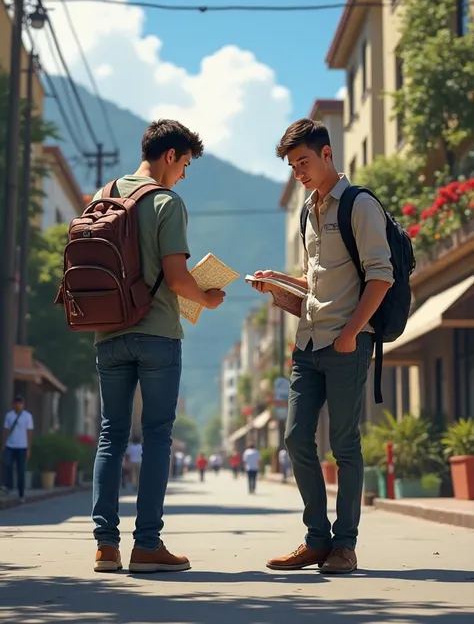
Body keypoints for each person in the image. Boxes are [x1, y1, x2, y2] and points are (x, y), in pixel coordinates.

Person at [252, 119, 393, 574]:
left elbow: (381, 275)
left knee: (344, 444)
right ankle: (317, 539)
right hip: (307, 343)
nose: (300, 172)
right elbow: (316, 281)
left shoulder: (359, 204)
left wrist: (352, 333)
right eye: (293, 167)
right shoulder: (307, 211)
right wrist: (279, 283)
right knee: (295, 438)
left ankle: (344, 545)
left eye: (304, 162)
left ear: (328, 154)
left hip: (346, 343)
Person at [92, 119, 226, 574]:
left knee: (111, 435)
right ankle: (147, 544)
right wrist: (206, 296)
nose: (184, 175)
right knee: (155, 437)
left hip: (107, 331)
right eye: (185, 164)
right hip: (157, 335)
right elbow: (176, 279)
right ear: (170, 156)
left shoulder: (102, 194)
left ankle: (105, 546)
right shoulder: (167, 202)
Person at [1, 395, 34, 503]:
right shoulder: (9, 416)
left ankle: (21, 493)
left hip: (22, 447)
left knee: (21, 470)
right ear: (13, 404)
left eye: (20, 403)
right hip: (10, 446)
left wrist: (29, 448)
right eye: (17, 403)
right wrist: (3, 444)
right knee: (7, 465)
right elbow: (5, 430)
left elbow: (29, 432)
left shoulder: (27, 416)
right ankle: (9, 486)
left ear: (23, 405)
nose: (18, 405)